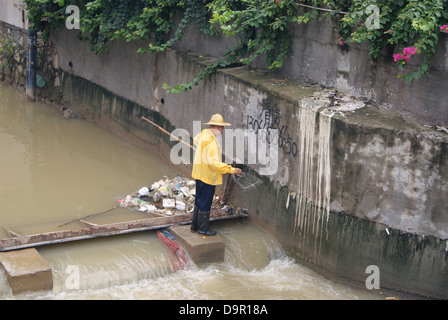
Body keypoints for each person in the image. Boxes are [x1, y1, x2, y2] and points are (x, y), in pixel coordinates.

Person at [190, 114, 242, 236]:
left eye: (222, 128)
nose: (221, 130)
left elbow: (196, 140)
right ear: (212, 126)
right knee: (205, 203)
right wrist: (231, 170)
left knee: (198, 200)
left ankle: (194, 226)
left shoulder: (204, 134)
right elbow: (214, 163)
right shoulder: (212, 142)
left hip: (199, 174)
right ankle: (203, 229)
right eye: (218, 127)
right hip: (208, 176)